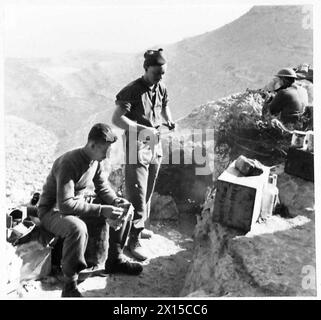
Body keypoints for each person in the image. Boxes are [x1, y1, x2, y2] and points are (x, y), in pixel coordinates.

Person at [38, 123, 143, 298]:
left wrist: (116, 201)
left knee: (124, 207)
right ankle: (70, 284)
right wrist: (102, 210)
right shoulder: (68, 163)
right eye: (105, 149)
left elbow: (102, 187)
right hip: (52, 210)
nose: (107, 154)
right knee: (77, 228)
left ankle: (115, 260)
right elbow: (65, 205)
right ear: (92, 145)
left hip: (75, 204)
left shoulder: (96, 160)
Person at [112, 49, 175, 261]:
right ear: (146, 69)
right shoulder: (131, 91)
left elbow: (165, 107)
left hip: (154, 142)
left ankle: (139, 226)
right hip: (136, 143)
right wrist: (142, 129)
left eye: (163, 73)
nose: (160, 77)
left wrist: (169, 119)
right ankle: (133, 240)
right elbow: (117, 119)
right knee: (137, 191)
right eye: (157, 73)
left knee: (148, 187)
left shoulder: (161, 87)